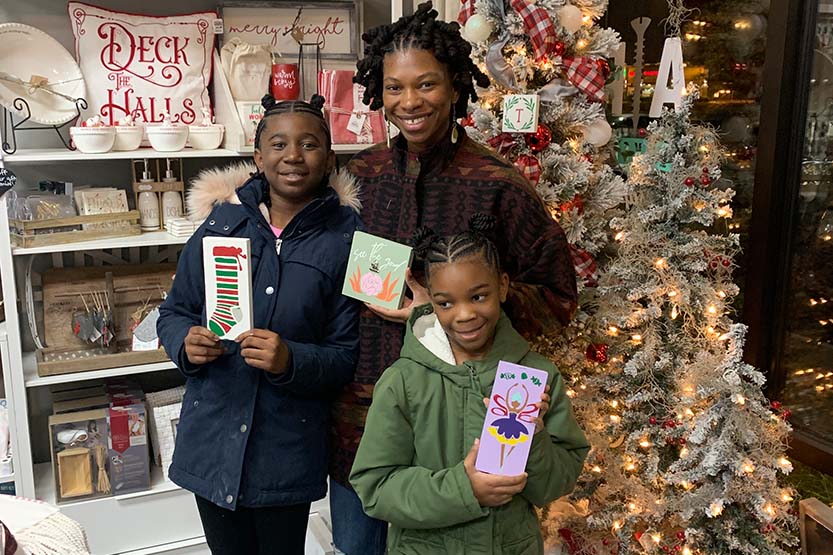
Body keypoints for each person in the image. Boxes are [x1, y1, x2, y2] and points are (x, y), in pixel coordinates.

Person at [329, 3, 579, 553]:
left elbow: (558, 297)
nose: (410, 102)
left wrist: (443, 310)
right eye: (394, 88)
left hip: (463, 427)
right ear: (378, 91)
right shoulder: (363, 176)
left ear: (454, 84)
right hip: (362, 418)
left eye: (426, 84)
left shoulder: (498, 185)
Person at [157, 94, 363, 555]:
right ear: (257, 155)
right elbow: (174, 312)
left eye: (309, 145)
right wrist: (185, 345)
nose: (293, 156)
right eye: (278, 144)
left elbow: (346, 355)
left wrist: (291, 359)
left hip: (285, 453)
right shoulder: (221, 224)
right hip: (212, 443)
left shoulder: (347, 240)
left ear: (329, 158)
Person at [350, 217, 590, 554]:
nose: (464, 315)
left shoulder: (535, 375)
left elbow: (552, 486)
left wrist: (534, 439)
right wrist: (464, 489)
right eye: (446, 303)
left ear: (503, 287)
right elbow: (375, 487)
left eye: (478, 296)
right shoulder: (403, 381)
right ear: (431, 301)